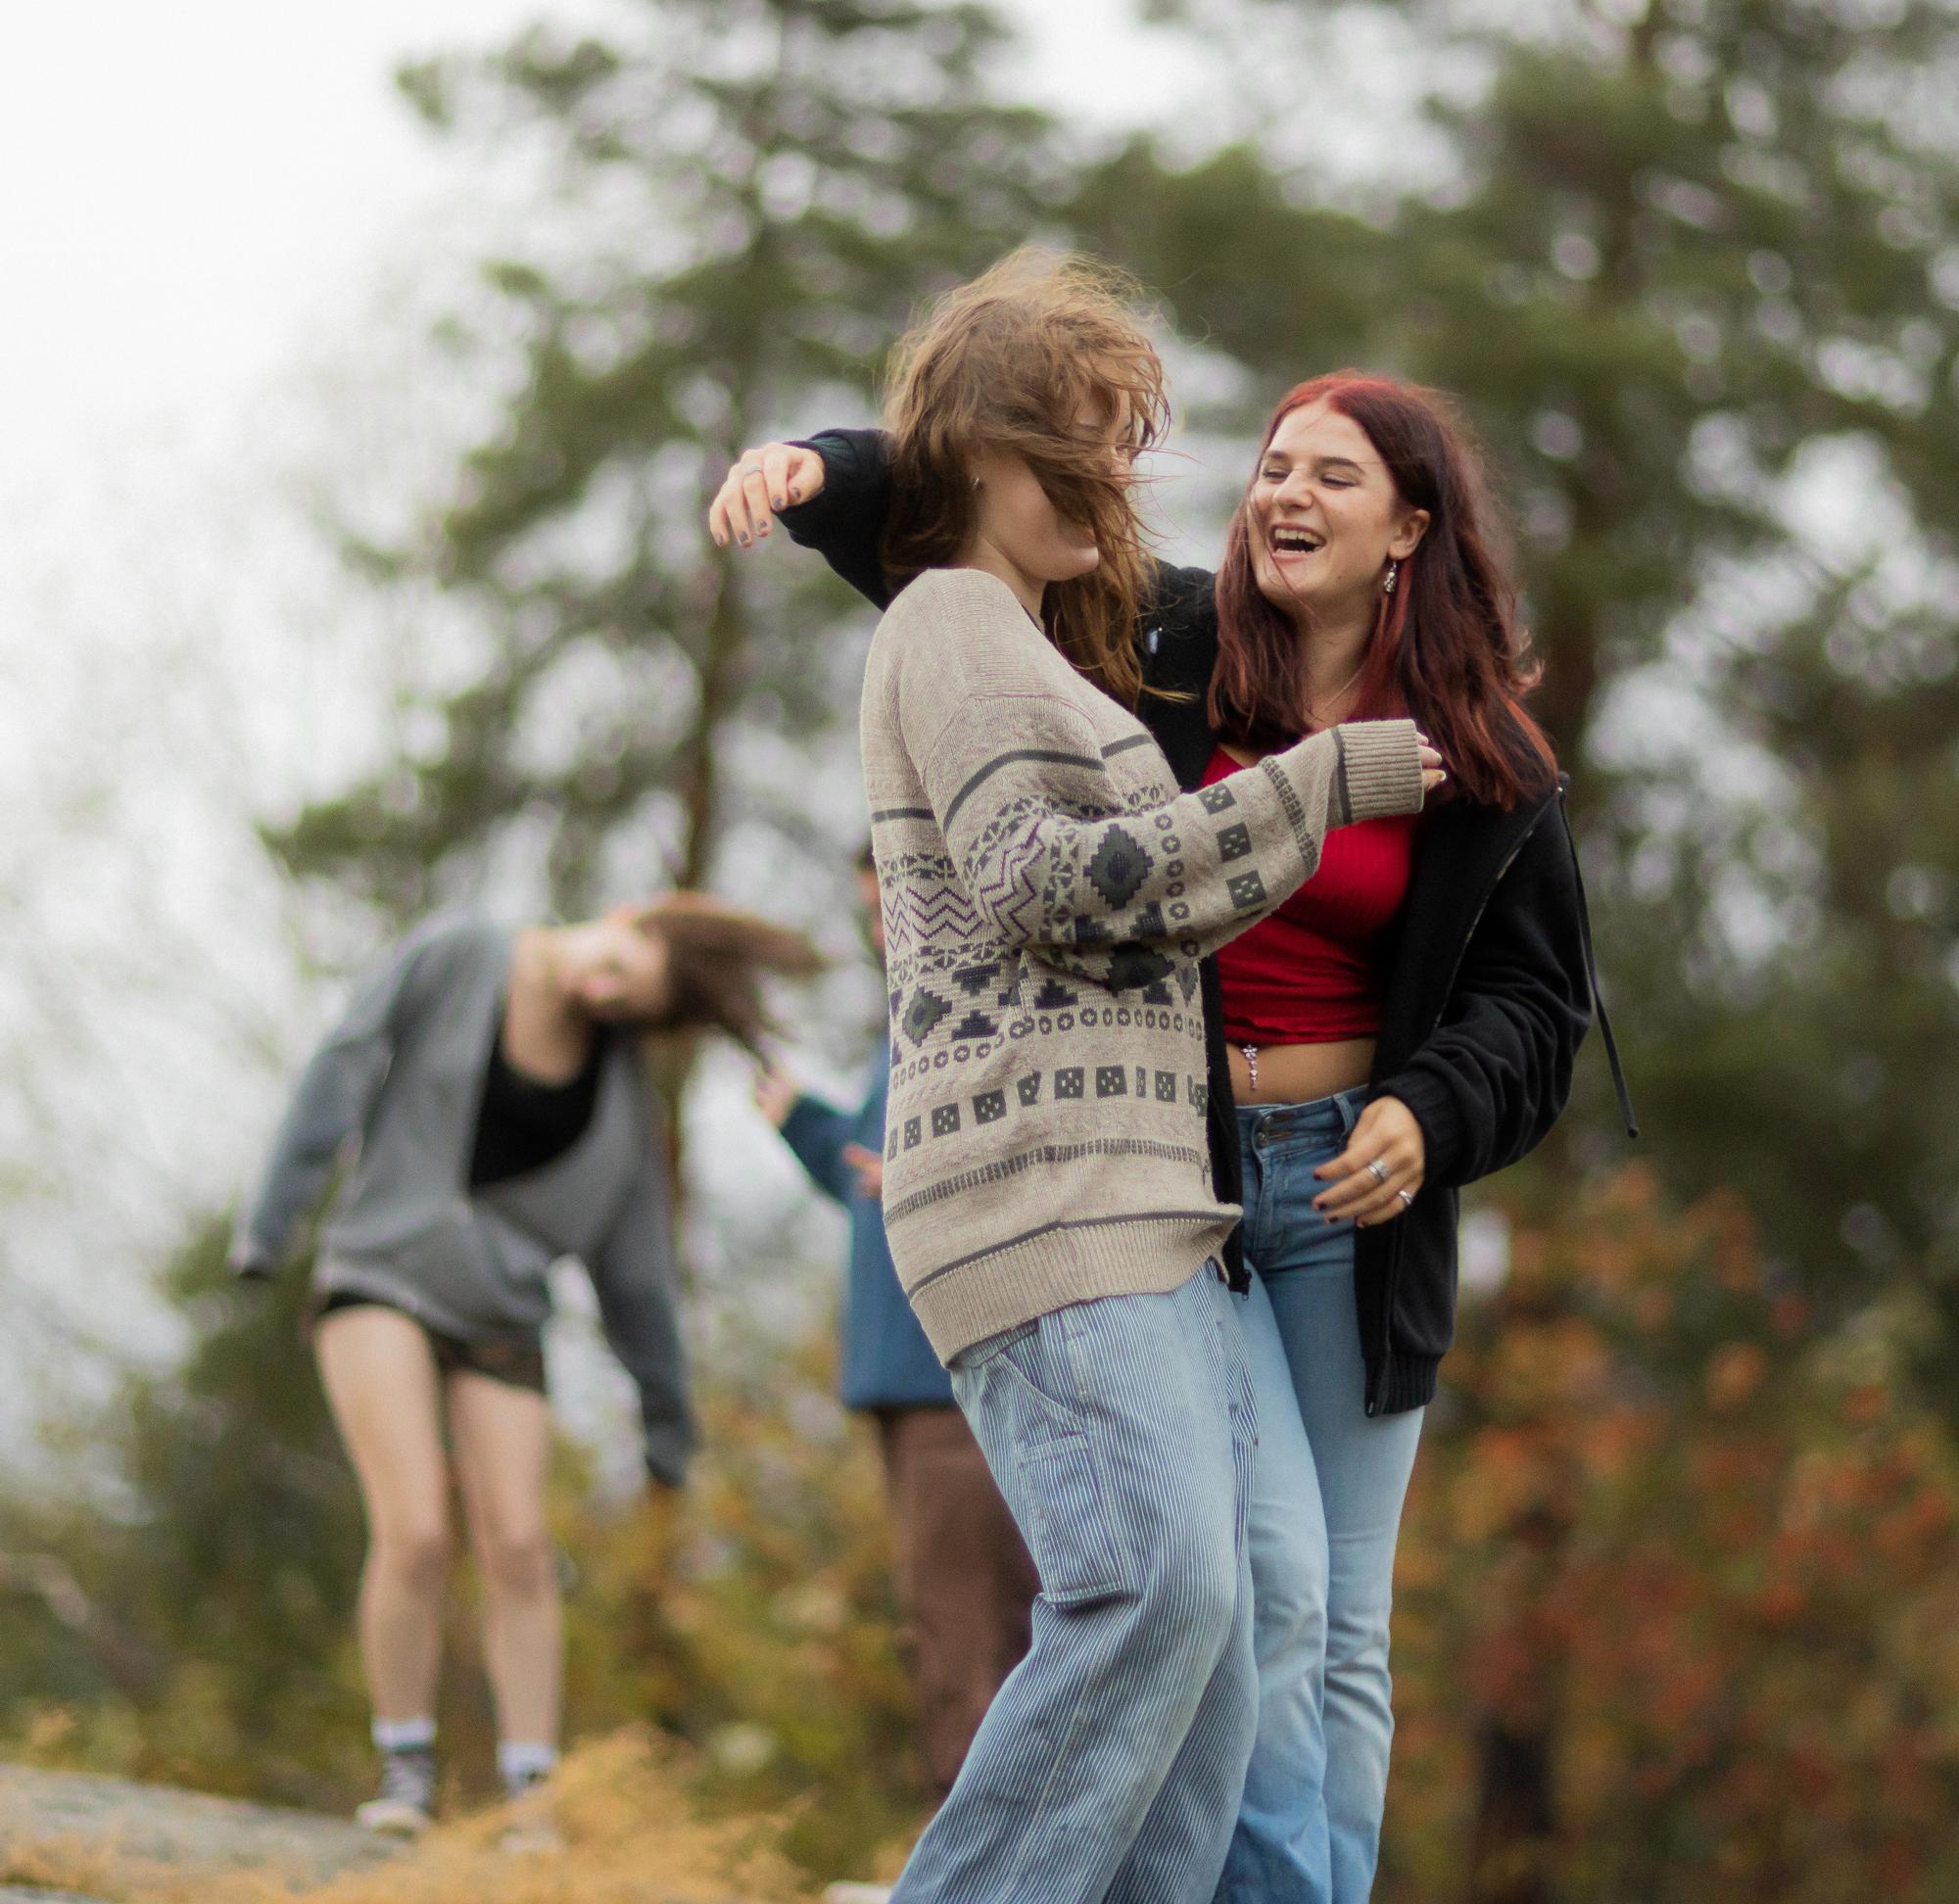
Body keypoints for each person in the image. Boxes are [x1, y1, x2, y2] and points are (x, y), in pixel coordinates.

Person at [711, 370, 1633, 1901]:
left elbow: (1539, 1006)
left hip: (1357, 1195)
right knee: (1245, 1592)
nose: (1286, 493)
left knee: (1334, 1624)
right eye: (1274, 465)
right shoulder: (1170, 643)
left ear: (1410, 524)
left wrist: (1429, 1109)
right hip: (1177, 1188)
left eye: (1333, 476)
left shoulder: (1484, 759)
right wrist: (819, 470)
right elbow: (991, 515)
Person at [231, 896, 820, 1840]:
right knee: (418, 1528)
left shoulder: (621, 1095)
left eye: (630, 1009)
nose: (606, 998)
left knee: (518, 1546)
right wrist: (272, 1221)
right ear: (627, 920)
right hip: (380, 1272)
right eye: (620, 974)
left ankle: (532, 1799)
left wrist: (668, 1425)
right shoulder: (461, 954)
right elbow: (339, 1064)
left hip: (500, 1312)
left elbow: (637, 1277)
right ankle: (406, 1771)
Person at [754, 842, 1039, 1807]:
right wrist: (805, 1123)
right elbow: (875, 1181)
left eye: (897, 906)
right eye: (870, 911)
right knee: (939, 1626)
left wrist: (918, 1166)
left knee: (971, 1636)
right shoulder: (906, 1025)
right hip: (897, 1380)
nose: (883, 930)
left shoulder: (986, 1017)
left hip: (955, 1376)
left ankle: (993, 1865)